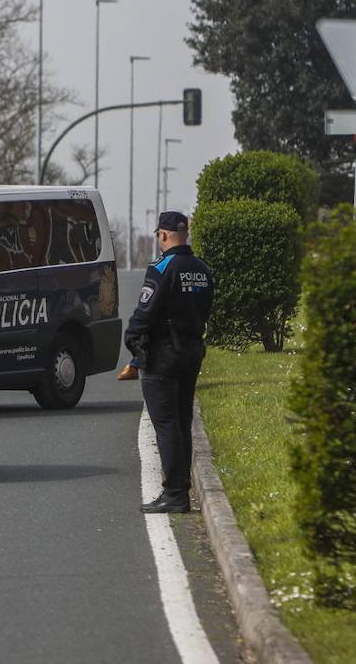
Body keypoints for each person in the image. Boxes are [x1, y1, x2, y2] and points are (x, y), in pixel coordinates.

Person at [124, 211, 214, 514]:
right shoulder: (202, 269)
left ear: (162, 235)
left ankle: (174, 494)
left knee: (165, 423)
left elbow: (145, 311)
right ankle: (181, 491)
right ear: (185, 233)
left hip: (163, 352)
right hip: (192, 350)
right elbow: (207, 308)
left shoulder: (162, 267)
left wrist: (133, 340)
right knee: (181, 420)